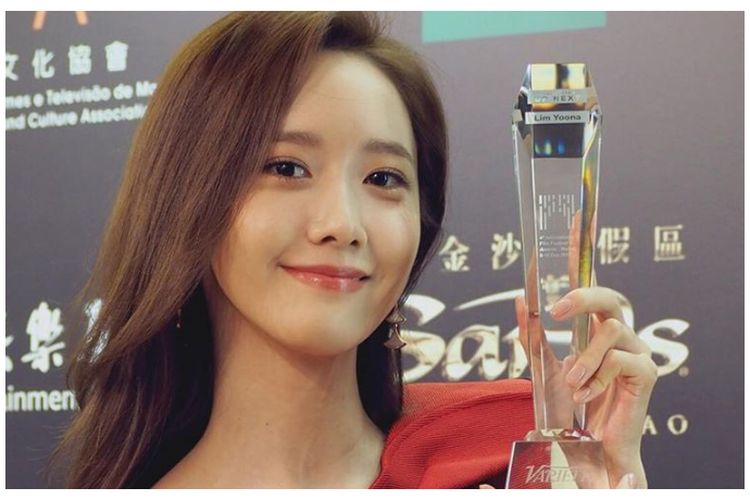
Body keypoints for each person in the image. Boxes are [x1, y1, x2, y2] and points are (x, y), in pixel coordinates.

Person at [48, 12, 656, 489]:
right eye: (286, 167)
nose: (343, 224)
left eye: (383, 178)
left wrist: (600, 470)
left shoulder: (493, 460)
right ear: (187, 197)